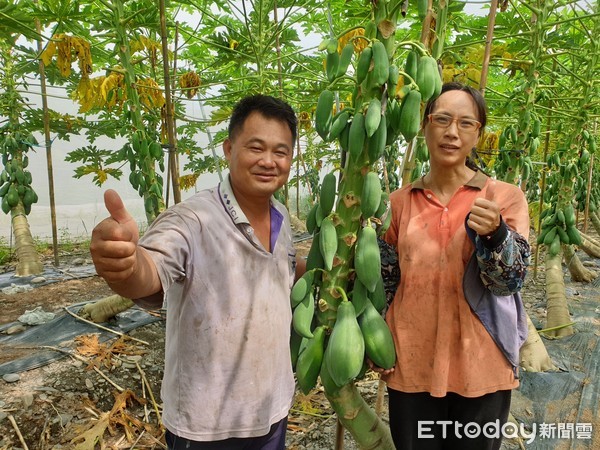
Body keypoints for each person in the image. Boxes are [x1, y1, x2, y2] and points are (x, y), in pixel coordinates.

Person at [90, 94, 305, 450]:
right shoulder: (191, 219)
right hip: (207, 426)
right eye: (256, 147)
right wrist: (126, 266)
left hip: (272, 408)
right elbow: (150, 271)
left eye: (280, 152)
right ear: (228, 148)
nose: (269, 161)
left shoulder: (280, 215)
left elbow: (281, 273)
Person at [379, 82, 531, 450]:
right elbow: (385, 285)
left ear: (478, 134)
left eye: (466, 123)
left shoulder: (503, 197)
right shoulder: (398, 203)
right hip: (411, 363)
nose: (452, 132)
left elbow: (509, 282)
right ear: (425, 125)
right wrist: (376, 344)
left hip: (482, 366)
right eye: (442, 119)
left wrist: (495, 235)